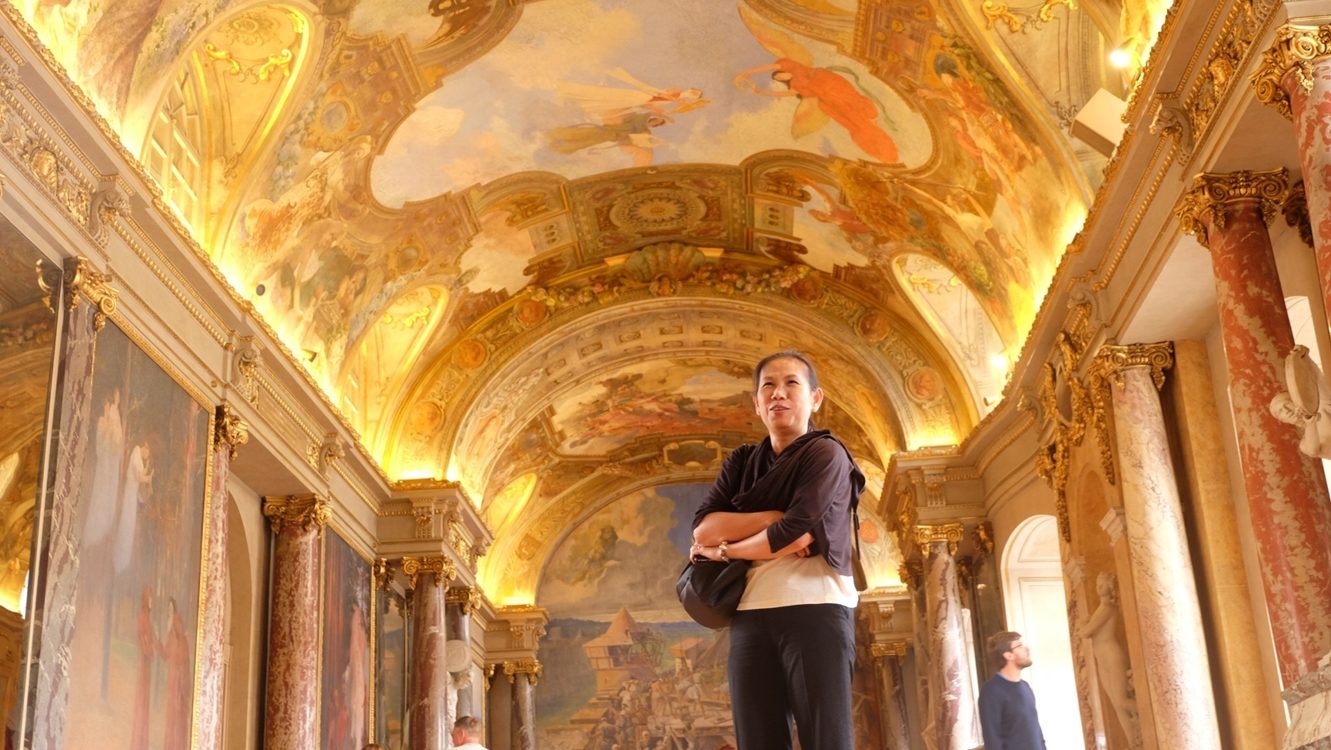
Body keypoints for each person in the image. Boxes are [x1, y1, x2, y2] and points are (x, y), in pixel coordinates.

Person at [690, 350, 864, 750]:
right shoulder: (742, 462)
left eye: (791, 384)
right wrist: (771, 517)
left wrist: (725, 551)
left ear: (815, 398)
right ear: (756, 403)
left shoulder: (826, 454)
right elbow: (703, 528)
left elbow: (795, 535)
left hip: (816, 609)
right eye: (767, 386)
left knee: (827, 741)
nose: (778, 394)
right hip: (749, 614)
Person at [978, 631, 1048, 750]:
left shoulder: (1025, 686)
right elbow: (992, 740)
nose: (1027, 649)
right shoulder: (991, 692)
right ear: (1008, 655)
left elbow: (1036, 730)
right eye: (1019, 645)